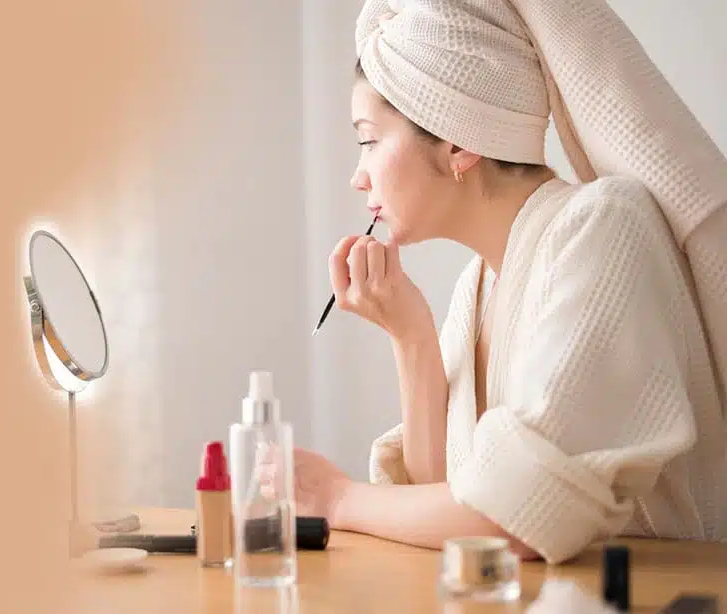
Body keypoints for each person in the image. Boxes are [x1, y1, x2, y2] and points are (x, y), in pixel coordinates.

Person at [291, 0, 727, 564]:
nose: (358, 176)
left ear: (457, 140)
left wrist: (337, 498)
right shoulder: (479, 284)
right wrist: (412, 336)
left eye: (370, 141)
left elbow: (515, 521)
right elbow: (441, 501)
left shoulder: (603, 225)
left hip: (662, 593)